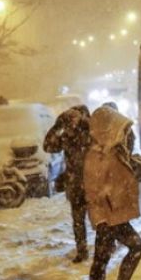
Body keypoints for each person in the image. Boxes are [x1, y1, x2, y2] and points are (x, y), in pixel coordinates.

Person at [83, 103, 141, 280]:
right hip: (108, 218)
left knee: (102, 259)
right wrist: (99, 219)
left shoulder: (112, 151)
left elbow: (119, 178)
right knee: (132, 248)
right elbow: (93, 192)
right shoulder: (96, 156)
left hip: (115, 215)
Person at [45, 104, 93, 262]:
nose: (73, 122)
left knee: (99, 219)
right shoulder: (68, 135)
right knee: (78, 220)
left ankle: (104, 246)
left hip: (93, 181)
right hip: (77, 183)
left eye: (76, 117)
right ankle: (82, 250)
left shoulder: (92, 131)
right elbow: (48, 146)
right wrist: (56, 127)